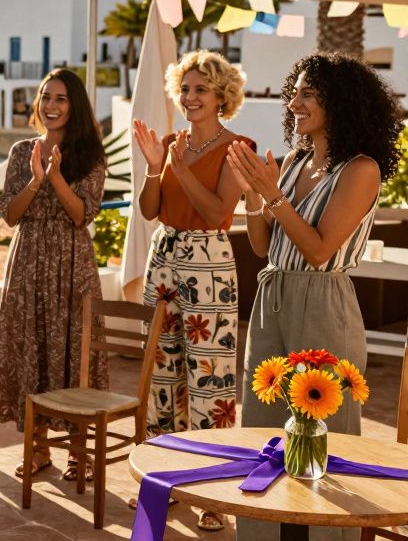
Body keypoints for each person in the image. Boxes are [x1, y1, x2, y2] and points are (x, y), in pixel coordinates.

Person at [227, 52, 400, 541]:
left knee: (326, 432)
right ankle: (259, 533)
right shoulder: (295, 160)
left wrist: (273, 196)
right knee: (261, 428)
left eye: (307, 93)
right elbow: (263, 246)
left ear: (340, 101)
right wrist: (253, 196)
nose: (294, 102)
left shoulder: (360, 169)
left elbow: (322, 251)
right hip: (273, 295)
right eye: (295, 91)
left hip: (324, 301)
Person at [131, 50, 251, 532]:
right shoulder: (172, 142)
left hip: (209, 262)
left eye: (201, 88)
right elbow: (149, 210)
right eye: (185, 88)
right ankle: (165, 478)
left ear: (222, 96)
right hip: (164, 254)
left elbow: (220, 210)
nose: (190, 97)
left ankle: (214, 493)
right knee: (159, 370)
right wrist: (157, 167)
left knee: (209, 379)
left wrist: (179, 170)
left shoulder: (238, 146)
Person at [0, 68, 108, 481]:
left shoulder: (91, 153)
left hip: (72, 263)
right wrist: (36, 181)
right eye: (45, 97)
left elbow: (82, 215)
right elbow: (9, 214)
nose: (50, 106)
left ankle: (79, 453)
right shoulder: (22, 152)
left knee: (76, 354)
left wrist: (56, 176)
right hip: (29, 261)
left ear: (74, 106)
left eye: (60, 99)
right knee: (32, 350)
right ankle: (37, 450)